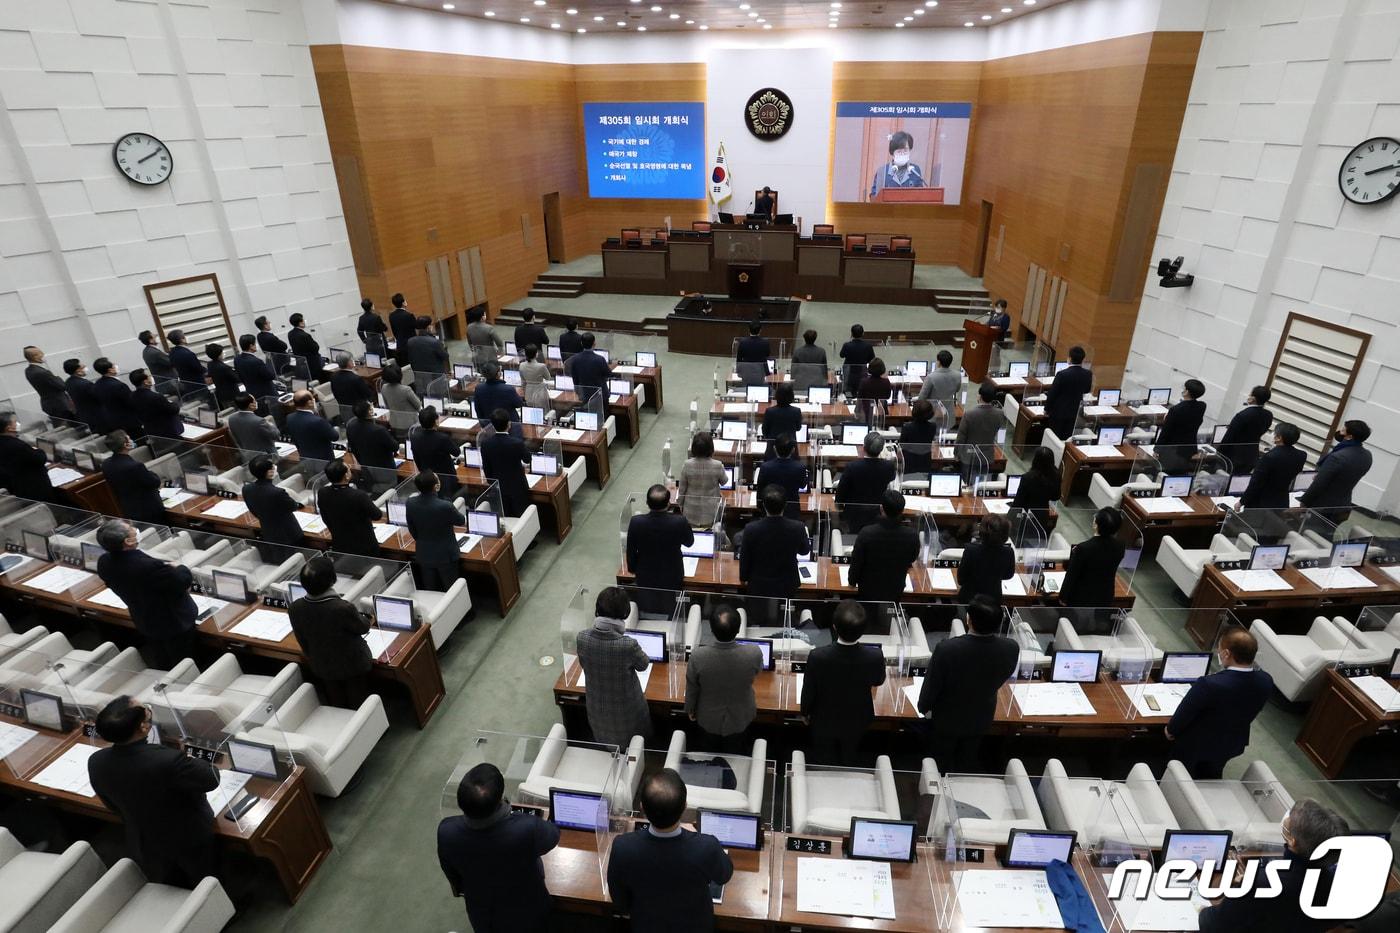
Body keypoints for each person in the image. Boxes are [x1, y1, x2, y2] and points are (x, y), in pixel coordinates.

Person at [87, 696, 219, 887]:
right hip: (189, 835)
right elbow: (211, 778)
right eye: (147, 710)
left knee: (171, 880)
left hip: (143, 838)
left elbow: (112, 805)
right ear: (143, 727)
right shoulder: (168, 760)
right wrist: (188, 756)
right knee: (206, 879)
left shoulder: (96, 761)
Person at [436, 762, 560, 933]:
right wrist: (512, 814)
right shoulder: (526, 828)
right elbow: (553, 836)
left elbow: (454, 876)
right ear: (501, 799)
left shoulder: (446, 831)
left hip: (484, 916)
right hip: (529, 912)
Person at [606, 769, 732, 933]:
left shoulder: (623, 847)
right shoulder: (706, 846)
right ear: (685, 806)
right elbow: (724, 875)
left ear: (642, 807)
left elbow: (620, 901)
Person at [1199, 799, 1350, 933]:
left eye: (1290, 819)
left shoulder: (1262, 884)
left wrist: (1203, 910)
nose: (1287, 818)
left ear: (1293, 841)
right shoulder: (1337, 886)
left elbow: (1213, 926)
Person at [918, 595, 1018, 772]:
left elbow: (932, 686)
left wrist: (923, 707)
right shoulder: (1011, 648)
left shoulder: (947, 649)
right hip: (981, 716)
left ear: (968, 619)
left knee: (939, 760)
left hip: (946, 719)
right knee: (967, 759)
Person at [1165, 627, 1273, 779]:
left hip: (1195, 746)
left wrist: (1170, 731)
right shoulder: (1266, 681)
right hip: (1231, 744)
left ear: (1226, 654)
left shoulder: (1209, 684)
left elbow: (1182, 716)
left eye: (1220, 649)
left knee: (1179, 776)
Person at [95, 519, 199, 668]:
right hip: (173, 621)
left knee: (160, 656)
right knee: (183, 662)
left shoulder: (104, 562)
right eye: (131, 529)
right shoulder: (149, 567)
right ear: (128, 541)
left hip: (143, 618)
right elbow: (181, 581)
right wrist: (179, 568)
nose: (134, 528)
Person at [801, 600, 886, 765]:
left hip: (823, 718)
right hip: (858, 718)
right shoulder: (875, 656)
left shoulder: (817, 656)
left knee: (823, 756)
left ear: (834, 627)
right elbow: (878, 680)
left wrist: (804, 712)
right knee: (850, 752)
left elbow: (809, 690)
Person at [288, 554, 373, 706]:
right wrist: (369, 618)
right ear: (331, 580)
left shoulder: (295, 607)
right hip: (353, 665)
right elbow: (363, 627)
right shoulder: (341, 607)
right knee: (357, 700)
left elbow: (303, 641)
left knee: (336, 700)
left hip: (322, 665)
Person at [575, 586, 653, 747]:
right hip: (628, 716)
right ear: (625, 613)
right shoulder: (627, 645)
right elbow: (644, 664)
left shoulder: (582, 638)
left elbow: (584, 664)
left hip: (597, 711)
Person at [685, 605, 762, 752]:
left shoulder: (698, 656)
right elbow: (758, 671)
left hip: (707, 717)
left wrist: (690, 709)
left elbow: (692, 687)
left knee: (707, 752)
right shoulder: (754, 653)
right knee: (736, 752)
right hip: (741, 716)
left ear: (711, 631)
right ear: (739, 629)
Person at [626, 484, 694, 615]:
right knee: (671, 605)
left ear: (647, 503)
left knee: (648, 606)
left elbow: (631, 551)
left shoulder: (636, 522)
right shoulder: (679, 522)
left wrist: (633, 569)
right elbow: (689, 543)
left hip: (645, 574)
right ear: (668, 504)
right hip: (672, 574)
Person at [738, 484, 811, 599]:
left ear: (763, 505)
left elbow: (745, 558)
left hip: (759, 586)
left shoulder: (751, 529)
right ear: (785, 505)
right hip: (787, 585)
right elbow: (804, 551)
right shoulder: (798, 527)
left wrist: (743, 578)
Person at [849, 489, 920, 605]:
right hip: (895, 590)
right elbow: (912, 559)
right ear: (902, 511)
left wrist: (851, 582)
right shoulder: (912, 535)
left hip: (868, 590)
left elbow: (857, 562)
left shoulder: (866, 533)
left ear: (881, 509)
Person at [406, 471, 466, 591]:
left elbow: (412, 529)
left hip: (424, 553)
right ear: (436, 486)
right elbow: (461, 521)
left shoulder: (410, 503)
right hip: (446, 555)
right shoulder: (445, 505)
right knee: (452, 590)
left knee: (430, 589)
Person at [1057, 506, 1126, 609]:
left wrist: (1063, 597)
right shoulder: (1121, 546)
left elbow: (1071, 576)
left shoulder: (1083, 548)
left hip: (1082, 598)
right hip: (1105, 596)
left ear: (1096, 525)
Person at [1299, 419, 1372, 515]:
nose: (1339, 432)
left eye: (1342, 430)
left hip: (1322, 506)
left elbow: (1319, 483)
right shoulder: (1367, 455)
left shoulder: (1337, 457)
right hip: (1343, 505)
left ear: (1349, 436)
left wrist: (1304, 502)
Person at [317, 459, 383, 557]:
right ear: (346, 475)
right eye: (348, 469)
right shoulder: (359, 495)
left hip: (340, 545)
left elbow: (325, 518)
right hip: (365, 547)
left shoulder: (322, 493)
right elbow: (377, 515)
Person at [835, 431, 896, 533]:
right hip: (878, 514)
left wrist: (839, 506)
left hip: (854, 515)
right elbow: (892, 478)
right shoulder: (888, 466)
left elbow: (841, 491)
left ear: (863, 448)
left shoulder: (852, 466)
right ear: (881, 450)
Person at [100, 431, 165, 524]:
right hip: (148, 508)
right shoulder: (135, 466)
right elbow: (155, 482)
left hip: (129, 507)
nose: (131, 440)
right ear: (126, 445)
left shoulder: (106, 464)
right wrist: (151, 473)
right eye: (129, 438)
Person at [1240, 422, 1306, 510]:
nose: (1272, 434)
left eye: (1274, 433)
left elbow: (1256, 483)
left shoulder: (1269, 457)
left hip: (1260, 504)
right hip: (1281, 502)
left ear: (1279, 438)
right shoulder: (1301, 455)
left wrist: (1242, 501)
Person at [243, 455, 303, 548]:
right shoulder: (277, 492)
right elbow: (293, 506)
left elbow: (253, 510)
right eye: (273, 466)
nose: (275, 467)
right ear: (268, 473)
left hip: (268, 532)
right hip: (288, 534)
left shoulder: (246, 489)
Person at [480, 408, 531, 517]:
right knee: (521, 516)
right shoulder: (516, 443)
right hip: (517, 486)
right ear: (509, 424)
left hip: (498, 487)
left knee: (505, 515)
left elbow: (487, 468)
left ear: (493, 425)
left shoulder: (485, 444)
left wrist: (492, 482)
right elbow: (527, 459)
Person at [957, 513, 1015, 606]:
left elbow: (961, 579)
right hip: (993, 601)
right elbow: (1008, 575)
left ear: (981, 532)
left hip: (969, 601)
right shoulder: (1008, 552)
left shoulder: (971, 550)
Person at [0, 411, 57, 502]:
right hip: (35, 489)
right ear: (9, 428)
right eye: (15, 421)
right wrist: (38, 450)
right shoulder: (17, 445)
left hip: (17, 489)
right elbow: (40, 458)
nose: (18, 423)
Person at [1216, 385, 1273, 474]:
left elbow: (1229, 436)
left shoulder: (1242, 415)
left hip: (1234, 456)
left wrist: (1218, 453)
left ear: (1253, 398)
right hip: (1252, 454)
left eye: (1250, 394)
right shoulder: (1268, 415)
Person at [1156, 378, 1207, 473]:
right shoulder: (1202, 406)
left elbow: (1166, 432)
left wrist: (1157, 450)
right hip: (1188, 449)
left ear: (1186, 391)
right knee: (1181, 472)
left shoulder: (1175, 410)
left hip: (1172, 450)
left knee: (1167, 474)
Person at [677, 432, 727, 527]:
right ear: (711, 448)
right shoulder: (717, 465)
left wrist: (680, 505)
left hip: (690, 511)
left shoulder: (687, 464)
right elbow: (724, 481)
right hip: (710, 512)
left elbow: (682, 489)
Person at [754, 432, 809, 517]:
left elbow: (760, 490)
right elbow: (802, 485)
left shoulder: (765, 467)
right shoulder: (800, 467)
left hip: (769, 510)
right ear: (793, 450)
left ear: (774, 448)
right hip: (791, 511)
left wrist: (761, 508)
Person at [1043, 345, 1091, 441]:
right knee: (1066, 438)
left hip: (1058, 412)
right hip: (1074, 411)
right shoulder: (1088, 374)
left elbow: (1053, 394)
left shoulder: (1062, 374)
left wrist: (1046, 409)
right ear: (1083, 359)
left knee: (1054, 439)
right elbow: (1086, 390)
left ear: (1069, 358)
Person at [955, 380, 1002, 478]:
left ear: (979, 396)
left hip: (969, 456)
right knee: (981, 484)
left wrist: (957, 453)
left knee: (967, 483)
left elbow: (961, 437)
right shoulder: (1000, 414)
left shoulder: (969, 414)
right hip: (987, 455)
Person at [411, 406, 460, 498]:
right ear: (436, 421)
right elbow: (457, 452)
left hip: (427, 478)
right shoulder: (442, 438)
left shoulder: (414, 438)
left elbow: (416, 459)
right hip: (446, 479)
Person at [94, 357, 144, 439]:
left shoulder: (97, 384)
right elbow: (131, 403)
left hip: (113, 421)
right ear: (110, 370)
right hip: (129, 421)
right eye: (114, 366)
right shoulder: (119, 385)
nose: (116, 366)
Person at [347, 399, 398, 478]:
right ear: (370, 412)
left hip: (366, 467)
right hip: (385, 469)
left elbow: (353, 447)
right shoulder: (379, 430)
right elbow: (395, 447)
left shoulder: (350, 426)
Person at [130, 368, 183, 440]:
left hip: (150, 431)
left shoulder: (132, 396)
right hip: (167, 432)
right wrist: (174, 404)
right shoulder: (156, 397)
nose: (151, 378)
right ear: (146, 382)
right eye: (149, 377)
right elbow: (173, 410)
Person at [1010, 445, 1061, 522]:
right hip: (1043, 515)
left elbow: (1018, 502)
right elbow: (1056, 497)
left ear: (1035, 460)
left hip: (1026, 515)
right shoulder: (1056, 475)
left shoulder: (1027, 478)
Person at [285, 389, 338, 463]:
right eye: (313, 398)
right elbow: (335, 436)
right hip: (324, 460)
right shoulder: (317, 420)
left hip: (305, 458)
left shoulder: (289, 417)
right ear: (309, 403)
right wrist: (317, 414)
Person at [869, 130, 925, 199]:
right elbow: (875, 198)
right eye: (899, 151)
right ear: (893, 153)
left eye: (905, 151)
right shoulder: (882, 171)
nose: (902, 154)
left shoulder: (915, 170)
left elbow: (921, 197)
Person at [23, 346, 74, 420]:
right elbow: (62, 386)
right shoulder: (42, 372)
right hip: (60, 405)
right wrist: (57, 377)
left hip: (49, 404)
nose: (43, 354)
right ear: (35, 357)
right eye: (40, 353)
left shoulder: (28, 370)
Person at [406, 316, 451, 396]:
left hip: (419, 377)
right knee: (438, 399)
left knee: (424, 399)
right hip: (435, 379)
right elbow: (445, 356)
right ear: (428, 327)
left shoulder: (410, 341)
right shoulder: (434, 342)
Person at [227, 392, 278, 457]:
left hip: (248, 455)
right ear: (251, 405)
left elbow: (237, 439)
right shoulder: (259, 421)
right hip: (267, 456)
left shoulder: (231, 418)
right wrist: (270, 424)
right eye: (255, 401)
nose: (256, 402)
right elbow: (276, 435)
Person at [234, 334, 278, 408]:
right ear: (251, 346)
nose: (256, 345)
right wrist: (269, 361)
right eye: (255, 343)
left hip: (251, 392)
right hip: (267, 393)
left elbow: (240, 376)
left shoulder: (237, 359)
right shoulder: (256, 361)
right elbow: (271, 376)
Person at [899, 399, 939, 476]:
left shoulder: (907, 427)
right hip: (925, 460)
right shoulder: (933, 427)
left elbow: (902, 445)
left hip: (909, 461)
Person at [567, 333, 611, 401]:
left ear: (581, 343)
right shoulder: (600, 359)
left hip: (584, 395)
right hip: (600, 396)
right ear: (594, 343)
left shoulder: (574, 359)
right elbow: (608, 374)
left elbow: (575, 379)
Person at [63, 358, 104, 431]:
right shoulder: (86, 384)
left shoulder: (68, 382)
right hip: (96, 416)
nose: (85, 367)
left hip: (83, 415)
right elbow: (99, 397)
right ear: (78, 371)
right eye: (83, 367)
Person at [916, 349, 960, 415]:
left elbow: (921, 398)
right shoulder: (957, 375)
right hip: (949, 413)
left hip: (933, 414)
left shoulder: (931, 377)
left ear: (938, 362)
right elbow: (957, 390)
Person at [287, 312, 325, 381]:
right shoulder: (305, 335)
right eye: (303, 320)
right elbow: (315, 348)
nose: (304, 321)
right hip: (312, 363)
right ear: (300, 323)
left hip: (300, 363)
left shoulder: (290, 334)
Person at [839, 324, 875, 394]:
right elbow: (872, 359)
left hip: (849, 373)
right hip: (862, 372)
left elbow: (841, 355)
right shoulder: (868, 346)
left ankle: (848, 400)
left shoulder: (847, 345)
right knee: (860, 391)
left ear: (851, 334)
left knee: (848, 392)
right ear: (863, 333)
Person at [791, 328, 828, 395]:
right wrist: (825, 380)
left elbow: (793, 369)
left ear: (804, 338)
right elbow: (824, 369)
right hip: (817, 382)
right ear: (815, 338)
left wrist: (793, 377)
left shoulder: (797, 351)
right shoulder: (821, 351)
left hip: (801, 383)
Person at [205, 344, 241, 410]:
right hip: (231, 395)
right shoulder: (224, 367)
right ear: (218, 355)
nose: (223, 353)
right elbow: (237, 379)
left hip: (221, 394)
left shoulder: (210, 364)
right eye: (222, 352)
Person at [518, 344, 552, 410]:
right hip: (540, 392)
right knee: (542, 413)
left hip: (528, 392)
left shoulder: (521, 365)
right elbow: (548, 378)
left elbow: (523, 382)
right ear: (536, 354)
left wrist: (525, 393)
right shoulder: (541, 366)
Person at [388, 293, 417, 363]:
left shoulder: (391, 316)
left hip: (400, 344)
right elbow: (416, 327)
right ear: (403, 303)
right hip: (411, 344)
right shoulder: (409, 315)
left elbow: (394, 331)